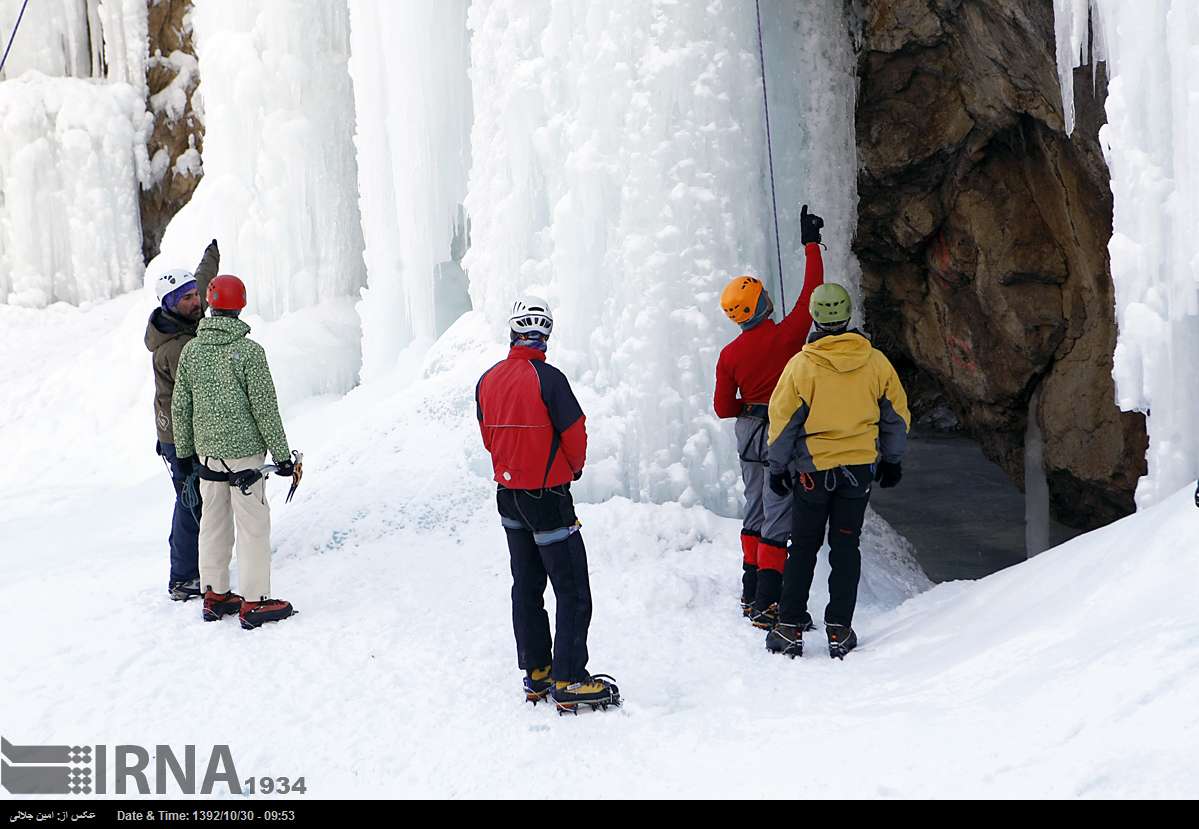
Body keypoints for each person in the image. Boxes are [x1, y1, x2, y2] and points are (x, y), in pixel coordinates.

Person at [475, 296, 620, 713]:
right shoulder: (549, 378)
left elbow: (488, 436)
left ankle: (537, 672)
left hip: (509, 496)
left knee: (527, 584)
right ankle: (570, 678)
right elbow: (575, 432)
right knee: (572, 588)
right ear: (545, 336)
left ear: (513, 332)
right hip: (548, 496)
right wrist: (570, 470)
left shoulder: (487, 379)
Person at [763, 283, 910, 659]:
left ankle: (789, 627)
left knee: (805, 548)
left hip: (813, 471)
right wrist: (892, 460)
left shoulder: (802, 366)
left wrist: (778, 468)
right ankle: (839, 630)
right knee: (846, 547)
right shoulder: (875, 362)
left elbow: (782, 423)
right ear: (847, 317)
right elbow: (896, 416)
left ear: (815, 317)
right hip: (857, 470)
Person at [714, 205, 825, 628]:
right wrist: (811, 245)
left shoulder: (729, 354)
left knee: (755, 506)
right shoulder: (785, 336)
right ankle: (767, 602)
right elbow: (810, 294)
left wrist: (748, 405)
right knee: (780, 511)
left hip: (748, 431)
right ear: (761, 304)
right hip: (781, 429)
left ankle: (749, 590)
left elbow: (724, 407)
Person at [171, 274, 297, 630]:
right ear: (240, 305)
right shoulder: (249, 352)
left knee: (213, 524)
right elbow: (265, 408)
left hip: (208, 455)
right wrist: (283, 455)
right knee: (253, 526)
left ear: (210, 305)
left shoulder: (192, 351)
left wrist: (185, 453)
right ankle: (255, 601)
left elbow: (181, 406)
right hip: (245, 458)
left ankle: (215, 593)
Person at [145, 240, 220, 601]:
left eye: (196, 295)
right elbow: (190, 402)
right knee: (191, 502)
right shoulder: (175, 349)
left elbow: (205, 279)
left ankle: (196, 566)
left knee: (195, 499)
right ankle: (183, 577)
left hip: (184, 432)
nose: (196, 301)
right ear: (170, 304)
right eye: (186, 298)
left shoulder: (187, 317)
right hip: (180, 437)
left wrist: (212, 254)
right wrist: (187, 452)